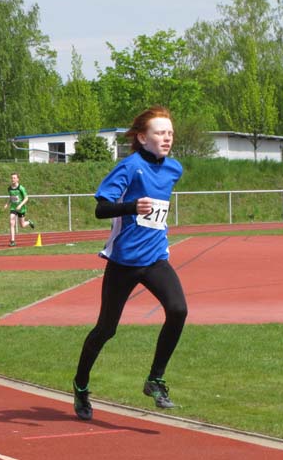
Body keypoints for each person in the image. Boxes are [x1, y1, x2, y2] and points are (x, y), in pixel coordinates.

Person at [72, 106, 187, 421]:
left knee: (178, 309)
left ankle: (155, 380)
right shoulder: (130, 166)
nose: (167, 138)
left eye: (170, 133)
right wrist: (132, 207)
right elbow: (101, 209)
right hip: (123, 262)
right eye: (160, 133)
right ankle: (81, 385)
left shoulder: (174, 169)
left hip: (155, 258)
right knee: (106, 329)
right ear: (142, 138)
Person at [3, 172, 34, 247]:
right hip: (13, 208)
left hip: (21, 208)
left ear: (17, 179)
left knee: (22, 225)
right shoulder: (9, 188)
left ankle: (29, 222)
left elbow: (26, 198)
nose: (12, 179)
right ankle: (12, 241)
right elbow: (11, 197)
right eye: (12, 178)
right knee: (11, 222)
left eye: (14, 178)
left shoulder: (21, 188)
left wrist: (20, 205)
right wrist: (7, 204)